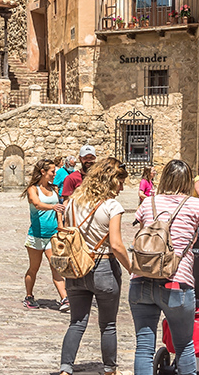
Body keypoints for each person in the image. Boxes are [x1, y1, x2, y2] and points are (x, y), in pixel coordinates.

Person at [129, 159, 199, 375]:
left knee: (144, 348)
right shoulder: (196, 205)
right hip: (175, 282)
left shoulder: (149, 203)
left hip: (141, 280)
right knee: (183, 344)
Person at [59, 157, 131, 375]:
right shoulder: (111, 206)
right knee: (108, 324)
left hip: (76, 267)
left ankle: (65, 369)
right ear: (110, 180)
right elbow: (116, 245)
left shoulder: (73, 202)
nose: (121, 188)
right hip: (103, 266)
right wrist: (131, 267)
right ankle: (109, 369)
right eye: (120, 182)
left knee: (76, 322)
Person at [23, 158, 68, 312]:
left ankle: (65, 298)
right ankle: (29, 296)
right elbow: (36, 204)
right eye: (52, 172)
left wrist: (61, 226)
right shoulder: (33, 189)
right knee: (33, 268)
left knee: (56, 266)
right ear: (43, 172)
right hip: (36, 236)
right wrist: (52, 206)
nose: (55, 174)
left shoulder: (54, 189)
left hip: (52, 236)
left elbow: (59, 210)